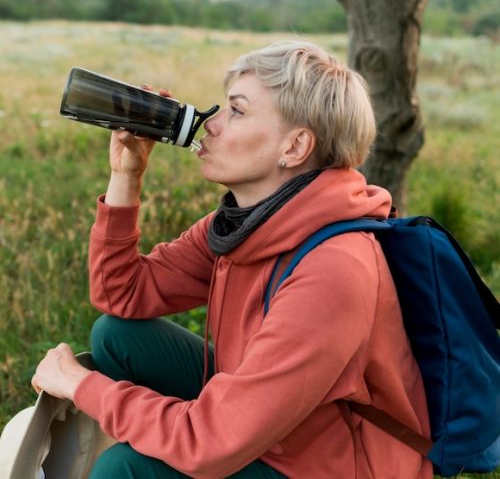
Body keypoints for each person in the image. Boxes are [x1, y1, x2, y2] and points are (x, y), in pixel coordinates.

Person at [32, 41, 432, 478]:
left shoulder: (335, 268)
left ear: (295, 146)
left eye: (236, 112)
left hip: (339, 464)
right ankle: (162, 433)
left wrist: (81, 385)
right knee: (117, 334)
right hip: (274, 421)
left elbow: (210, 444)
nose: (211, 125)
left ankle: (154, 442)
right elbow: (120, 294)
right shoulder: (247, 222)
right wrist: (125, 177)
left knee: (124, 470)